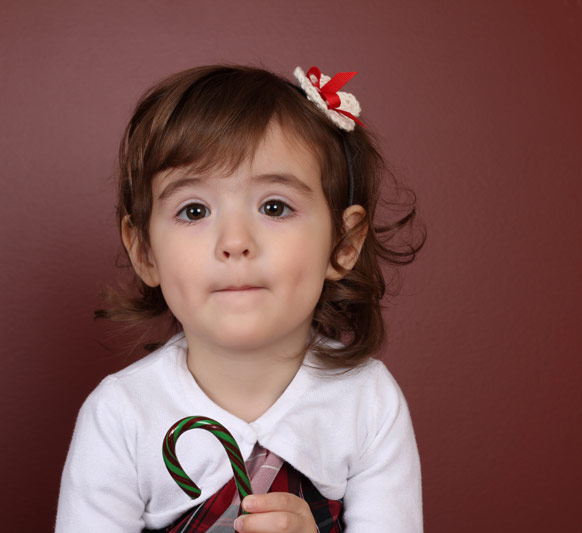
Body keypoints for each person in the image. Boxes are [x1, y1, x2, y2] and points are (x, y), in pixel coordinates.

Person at [56, 64, 425, 533]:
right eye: (194, 210)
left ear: (343, 243)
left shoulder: (368, 403)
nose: (234, 241)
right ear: (145, 252)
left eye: (274, 207)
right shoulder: (121, 414)